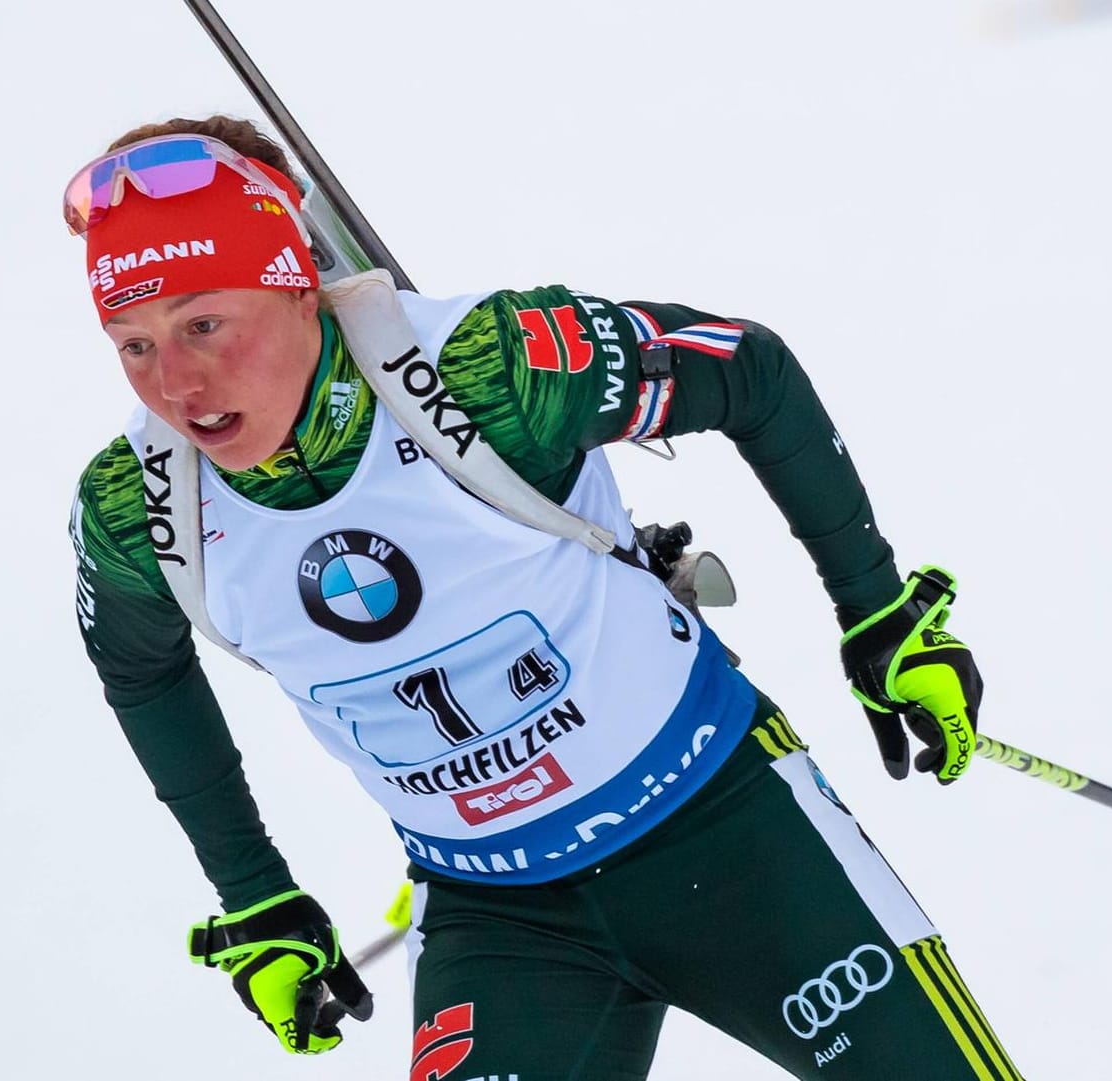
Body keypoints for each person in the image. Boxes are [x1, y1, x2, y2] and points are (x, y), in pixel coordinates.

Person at [65, 114, 1021, 1080]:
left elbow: (746, 369)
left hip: (730, 836)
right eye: (132, 345)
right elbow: (142, 673)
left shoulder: (491, 367)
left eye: (202, 325)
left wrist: (876, 614)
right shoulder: (136, 509)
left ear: (298, 287)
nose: (176, 384)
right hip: (499, 920)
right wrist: (256, 895)